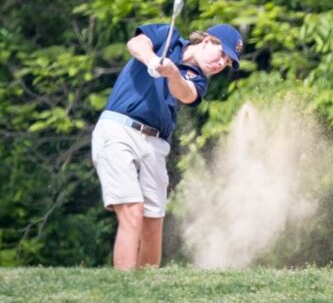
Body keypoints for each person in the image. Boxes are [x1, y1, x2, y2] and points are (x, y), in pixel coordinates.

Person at [91, 22, 243, 270]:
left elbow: (185, 94)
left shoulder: (200, 80)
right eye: (222, 54)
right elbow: (135, 44)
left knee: (153, 222)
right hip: (119, 129)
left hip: (155, 144)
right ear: (207, 41)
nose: (220, 64)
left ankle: (147, 291)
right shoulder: (167, 35)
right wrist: (152, 60)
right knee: (132, 210)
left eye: (226, 63)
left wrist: (171, 72)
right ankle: (124, 289)